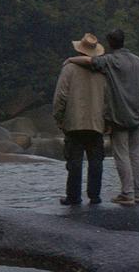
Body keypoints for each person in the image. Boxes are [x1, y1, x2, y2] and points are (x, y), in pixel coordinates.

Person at [68, 28, 139, 206]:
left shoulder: (110, 61)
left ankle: (127, 194)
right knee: (136, 155)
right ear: (124, 41)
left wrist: (69, 60)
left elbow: (89, 61)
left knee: (121, 155)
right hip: (137, 115)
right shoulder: (138, 61)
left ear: (110, 43)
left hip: (119, 116)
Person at [52, 32, 108, 205]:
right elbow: (108, 98)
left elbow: (61, 96)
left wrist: (58, 117)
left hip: (74, 121)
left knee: (75, 161)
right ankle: (95, 195)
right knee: (96, 161)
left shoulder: (69, 68)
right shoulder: (103, 71)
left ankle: (73, 196)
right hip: (97, 122)